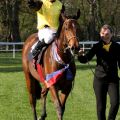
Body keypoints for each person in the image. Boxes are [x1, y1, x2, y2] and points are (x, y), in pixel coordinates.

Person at [78, 24, 120, 120]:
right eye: (102, 33)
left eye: (107, 34)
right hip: (99, 80)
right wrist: (80, 55)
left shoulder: (117, 47)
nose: (104, 35)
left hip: (113, 80)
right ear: (100, 34)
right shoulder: (97, 46)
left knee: (115, 103)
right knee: (101, 106)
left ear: (111, 34)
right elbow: (85, 59)